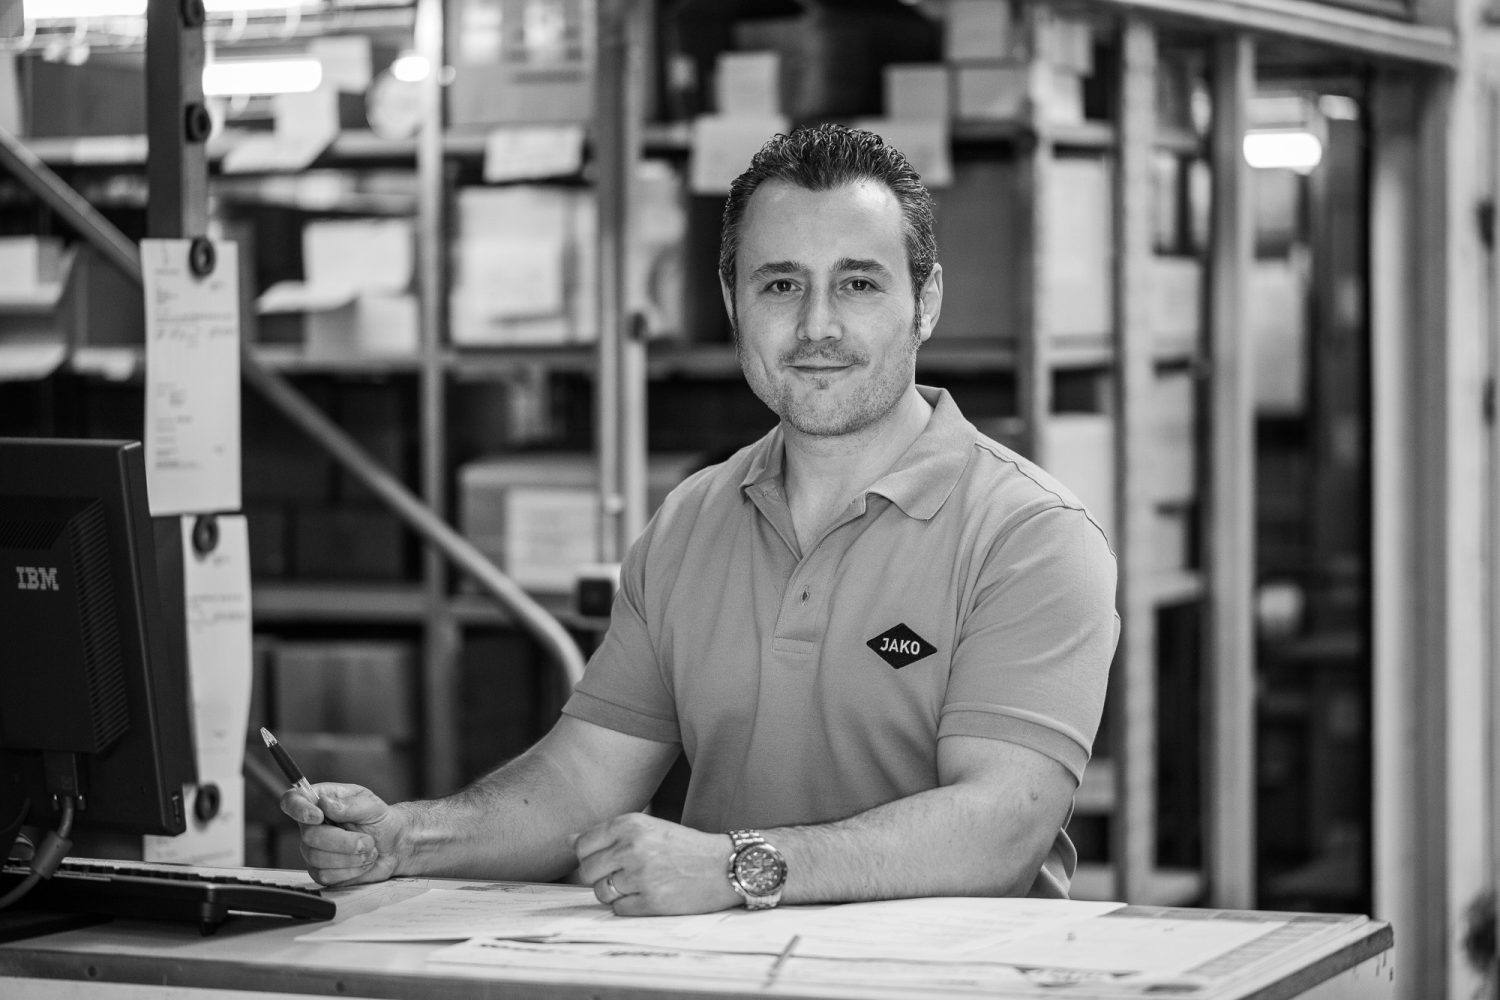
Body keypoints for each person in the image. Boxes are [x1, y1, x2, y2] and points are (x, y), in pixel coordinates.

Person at [280, 123, 1119, 915]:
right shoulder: (692, 518)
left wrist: (734, 867)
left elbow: (1000, 829)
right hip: (726, 977)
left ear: (925, 302)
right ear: (731, 301)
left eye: (858, 284)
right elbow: (582, 783)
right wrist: (405, 839)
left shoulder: (1029, 536)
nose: (817, 325)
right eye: (781, 284)